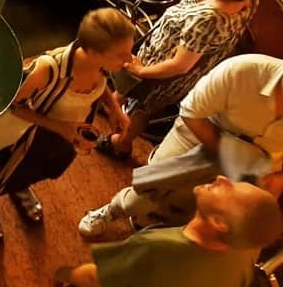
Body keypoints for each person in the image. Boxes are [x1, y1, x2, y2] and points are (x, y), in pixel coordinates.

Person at [79, 54, 283, 238]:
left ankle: (152, 228)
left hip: (254, 165)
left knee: (197, 211)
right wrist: (231, 155)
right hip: (198, 134)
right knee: (147, 194)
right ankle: (113, 211)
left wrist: (270, 186)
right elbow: (191, 114)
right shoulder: (244, 70)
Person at [0, 8, 134, 240]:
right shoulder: (49, 69)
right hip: (32, 136)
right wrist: (61, 128)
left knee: (45, 168)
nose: (129, 59)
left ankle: (19, 187)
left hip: (68, 135)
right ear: (91, 51)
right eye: (121, 54)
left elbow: (99, 86)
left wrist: (115, 109)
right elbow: (13, 105)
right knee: (14, 169)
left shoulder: (98, 65)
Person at [99, 0, 268, 158]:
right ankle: (113, 106)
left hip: (163, 72)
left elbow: (180, 65)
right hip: (158, 51)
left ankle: (122, 144)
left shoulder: (209, 19)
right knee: (128, 88)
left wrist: (141, 71)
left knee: (143, 107)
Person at [56, 176, 281, 287]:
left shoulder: (158, 246)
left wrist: (68, 275)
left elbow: (97, 277)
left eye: (231, 190)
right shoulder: (240, 257)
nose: (223, 178)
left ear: (219, 222)